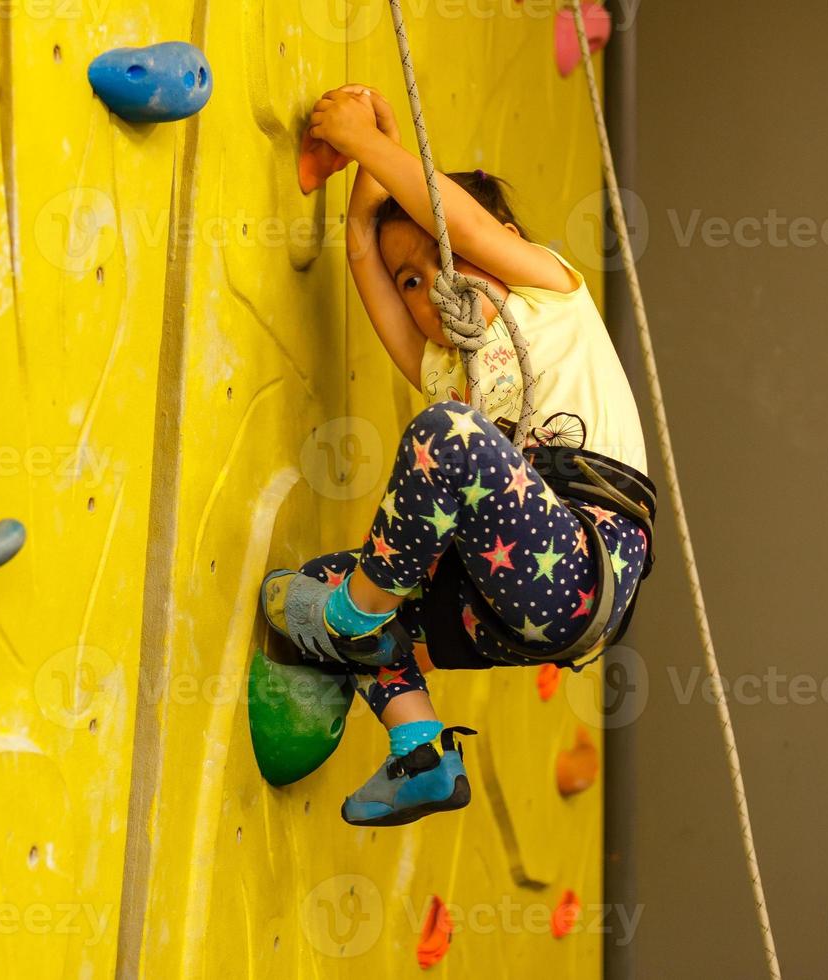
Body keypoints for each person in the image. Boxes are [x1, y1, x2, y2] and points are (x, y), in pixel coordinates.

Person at [260, 85, 657, 827]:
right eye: (410, 282)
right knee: (321, 581)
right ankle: (420, 751)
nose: (427, 289)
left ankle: (357, 614)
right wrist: (361, 197)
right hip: (505, 602)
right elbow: (364, 259)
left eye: (441, 261)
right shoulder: (448, 370)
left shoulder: (548, 292)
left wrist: (375, 144)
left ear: (499, 241)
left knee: (448, 438)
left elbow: (462, 223)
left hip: (583, 559)